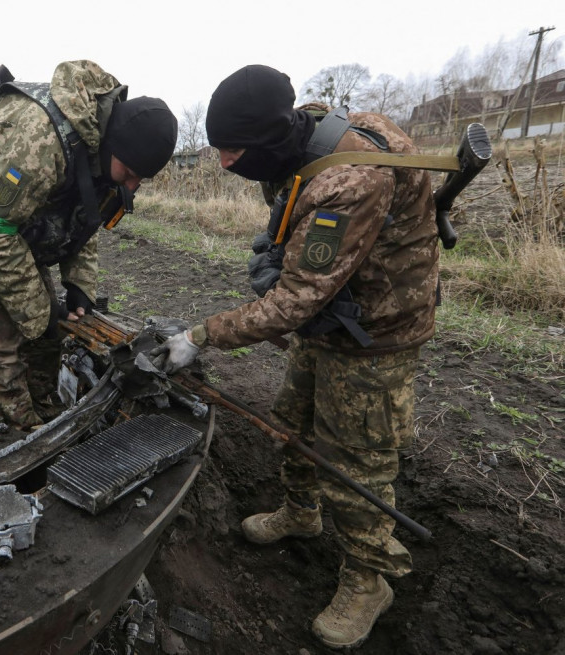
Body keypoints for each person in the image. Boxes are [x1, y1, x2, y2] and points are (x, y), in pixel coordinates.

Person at [151, 64, 437, 649]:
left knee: (358, 461)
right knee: (293, 422)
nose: (225, 162)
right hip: (334, 318)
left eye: (234, 150)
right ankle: (300, 511)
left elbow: (291, 304)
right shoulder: (303, 145)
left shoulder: (350, 179)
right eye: (220, 147)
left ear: (269, 138)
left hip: (376, 336)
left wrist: (201, 336)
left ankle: (367, 580)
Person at [0, 60, 177, 430]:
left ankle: (47, 413)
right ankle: (17, 436)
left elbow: (85, 216)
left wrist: (79, 286)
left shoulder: (98, 142)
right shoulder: (38, 142)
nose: (130, 186)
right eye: (129, 174)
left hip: (7, 223)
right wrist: (38, 311)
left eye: (140, 180)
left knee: (44, 336)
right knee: (1, 351)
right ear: (112, 145)